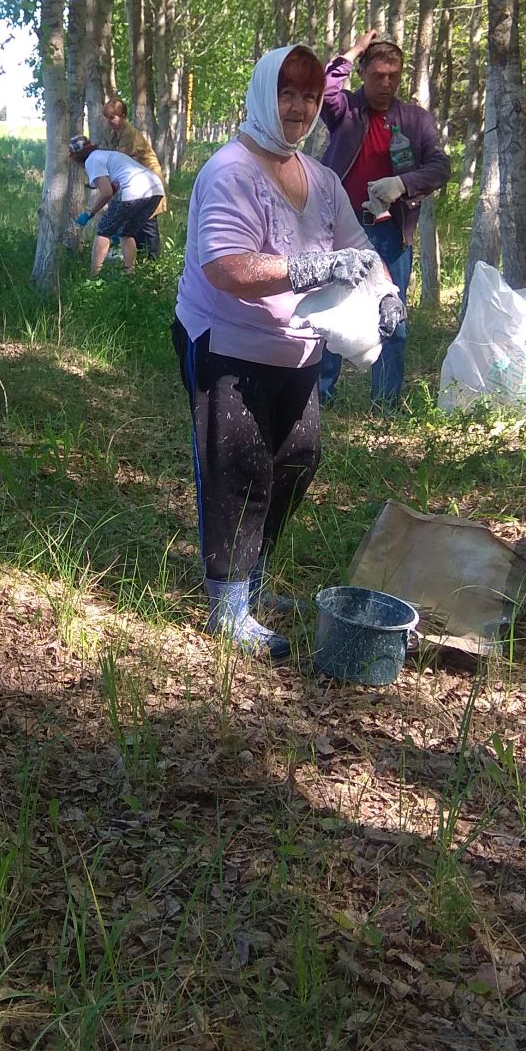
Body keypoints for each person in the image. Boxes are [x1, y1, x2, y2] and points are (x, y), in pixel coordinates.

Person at [173, 46, 405, 660]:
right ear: (262, 97)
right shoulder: (230, 170)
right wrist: (311, 266)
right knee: (238, 465)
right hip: (226, 342)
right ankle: (227, 603)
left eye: (308, 96)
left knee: (297, 458)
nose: (300, 107)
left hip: (295, 347)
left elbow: (358, 243)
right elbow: (224, 267)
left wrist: (386, 293)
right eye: (287, 94)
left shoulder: (320, 178)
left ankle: (253, 579)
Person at [313, 31, 451, 408]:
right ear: (363, 73)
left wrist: (403, 183)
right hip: (340, 229)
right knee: (331, 310)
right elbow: (323, 91)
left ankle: (385, 403)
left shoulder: (415, 120)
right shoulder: (347, 112)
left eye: (393, 75)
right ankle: (321, 397)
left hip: (390, 233)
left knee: (393, 317)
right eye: (378, 75)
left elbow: (440, 167)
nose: (386, 83)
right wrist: (353, 50)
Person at [70, 136, 165, 272]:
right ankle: (130, 273)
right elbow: (112, 191)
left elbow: (106, 192)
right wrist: (115, 220)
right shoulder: (106, 155)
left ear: (76, 156)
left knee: (103, 230)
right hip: (154, 189)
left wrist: (89, 213)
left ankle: (93, 276)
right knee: (126, 232)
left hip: (134, 190)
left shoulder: (92, 160)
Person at [103, 96, 167, 206]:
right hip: (138, 178)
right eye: (107, 118)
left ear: (123, 117)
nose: (108, 121)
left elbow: (118, 160)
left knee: (147, 217)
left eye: (112, 118)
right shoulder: (114, 133)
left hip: (149, 177)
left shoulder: (128, 134)